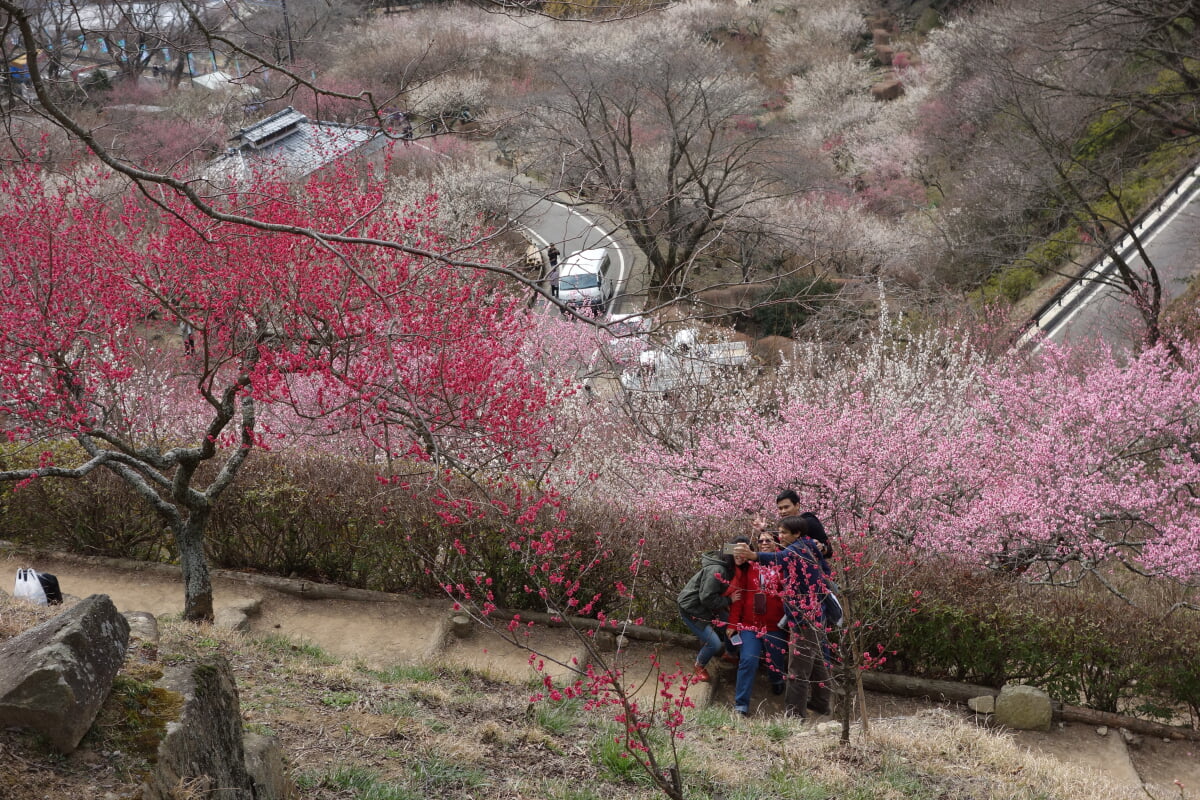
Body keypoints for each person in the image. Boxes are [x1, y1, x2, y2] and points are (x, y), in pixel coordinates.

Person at [733, 515, 832, 719]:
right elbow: (825, 569)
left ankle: (794, 715)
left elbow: (777, 558)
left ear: (796, 534)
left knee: (798, 669)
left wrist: (753, 555)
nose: (779, 536)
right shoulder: (809, 545)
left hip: (803, 617)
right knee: (818, 663)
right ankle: (821, 704)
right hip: (817, 612)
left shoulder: (794, 551)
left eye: (783, 533)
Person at [726, 535, 787, 715]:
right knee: (748, 660)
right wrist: (733, 623)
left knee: (776, 659)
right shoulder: (749, 567)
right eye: (761, 541)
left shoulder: (783, 565)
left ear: (776, 543)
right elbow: (739, 597)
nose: (764, 544)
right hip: (749, 625)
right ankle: (741, 704)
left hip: (774, 626)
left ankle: (776, 680)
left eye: (769, 540)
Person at [677, 544, 741, 682]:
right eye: (738, 555)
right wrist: (729, 600)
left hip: (709, 607)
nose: (742, 559)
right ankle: (699, 665)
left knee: (731, 626)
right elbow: (707, 598)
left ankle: (730, 654)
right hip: (692, 609)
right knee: (714, 644)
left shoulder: (729, 566)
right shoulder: (717, 569)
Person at [775, 490, 833, 558]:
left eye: (786, 507)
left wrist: (822, 547)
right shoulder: (782, 527)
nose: (783, 511)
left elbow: (829, 551)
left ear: (797, 505)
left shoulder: (809, 522)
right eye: (780, 508)